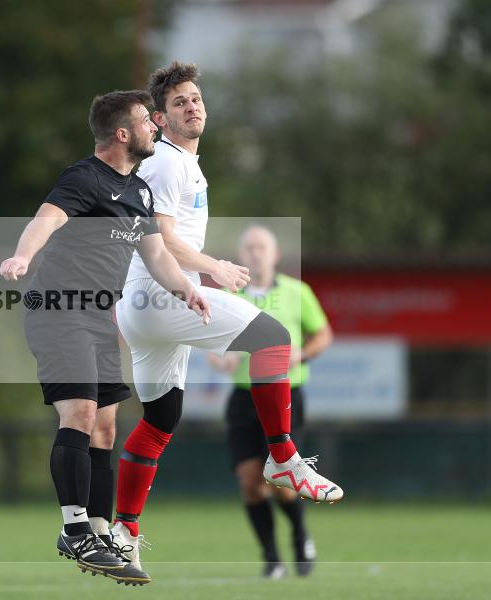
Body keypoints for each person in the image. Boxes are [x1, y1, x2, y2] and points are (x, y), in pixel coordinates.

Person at [111, 62, 343, 581]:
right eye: (179, 103)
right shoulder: (168, 164)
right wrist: (212, 268)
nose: (192, 106)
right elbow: (161, 238)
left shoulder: (182, 163)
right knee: (273, 337)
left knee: (157, 423)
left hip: (144, 308)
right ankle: (283, 457)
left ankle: (123, 535)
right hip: (162, 293)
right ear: (161, 118)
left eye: (195, 98)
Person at [0, 89, 210, 585]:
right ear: (122, 133)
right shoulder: (84, 178)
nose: (155, 128)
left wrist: (187, 290)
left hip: (97, 316)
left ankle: (97, 534)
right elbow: (44, 220)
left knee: (106, 428)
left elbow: (158, 258)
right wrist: (23, 256)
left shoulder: (139, 191)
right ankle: (74, 530)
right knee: (81, 413)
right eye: (146, 122)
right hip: (57, 309)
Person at [212, 225, 334, 579]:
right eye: (248, 247)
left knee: (283, 484)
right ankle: (272, 558)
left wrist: (302, 354)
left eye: (261, 247)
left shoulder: (299, 292)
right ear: (241, 255)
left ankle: (300, 536)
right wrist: (222, 359)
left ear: (275, 254)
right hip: (243, 398)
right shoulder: (228, 294)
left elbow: (324, 334)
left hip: (285, 397)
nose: (255, 253)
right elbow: (209, 345)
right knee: (250, 481)